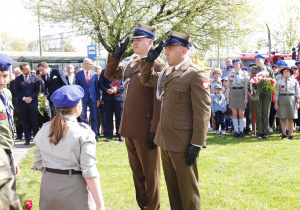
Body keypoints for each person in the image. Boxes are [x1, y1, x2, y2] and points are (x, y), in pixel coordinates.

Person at [140, 30, 211, 210]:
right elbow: (146, 79)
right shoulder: (167, 72)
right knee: (173, 190)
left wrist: (196, 143)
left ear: (184, 51)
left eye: (171, 48)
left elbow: (203, 111)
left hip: (183, 142)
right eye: (166, 49)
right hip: (165, 139)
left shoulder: (195, 74)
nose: (167, 52)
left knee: (188, 192)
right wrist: (148, 60)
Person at [104, 23, 166, 209]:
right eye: (134, 40)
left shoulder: (158, 65)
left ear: (150, 42)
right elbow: (109, 74)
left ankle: (152, 207)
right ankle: (143, 206)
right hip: (129, 127)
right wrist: (116, 56)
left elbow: (159, 100)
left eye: (139, 40)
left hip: (145, 128)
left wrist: (154, 129)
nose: (135, 43)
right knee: (137, 173)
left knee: (150, 174)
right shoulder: (132, 63)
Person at [32, 85, 105, 210]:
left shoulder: (44, 129)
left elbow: (38, 163)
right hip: (74, 189)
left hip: (48, 187)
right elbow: (89, 171)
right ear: (78, 107)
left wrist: (55, 175)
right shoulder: (84, 133)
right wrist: (100, 205)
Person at [0, 53, 19, 191]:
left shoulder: (6, 93)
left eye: (5, 76)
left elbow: (8, 128)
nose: (2, 80)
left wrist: (12, 157)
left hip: (7, 152)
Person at [249, 54, 274, 139]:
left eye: (259, 59)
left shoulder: (269, 69)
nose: (257, 61)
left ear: (263, 60)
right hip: (258, 92)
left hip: (267, 93)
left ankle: (265, 132)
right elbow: (251, 81)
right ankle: (259, 132)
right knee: (259, 113)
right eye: (256, 60)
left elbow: (273, 80)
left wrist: (269, 84)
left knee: (266, 113)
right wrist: (253, 90)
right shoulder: (254, 70)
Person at [15, 62, 40, 145]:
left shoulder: (35, 78)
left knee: (34, 121)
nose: (28, 70)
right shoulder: (18, 79)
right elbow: (16, 91)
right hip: (22, 104)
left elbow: (37, 90)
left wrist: (31, 98)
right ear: (22, 70)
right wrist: (24, 98)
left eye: (29, 68)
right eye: (26, 69)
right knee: (25, 121)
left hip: (33, 103)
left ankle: (36, 139)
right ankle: (27, 139)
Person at [75, 58, 100, 139]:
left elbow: (97, 88)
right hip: (83, 98)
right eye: (90, 64)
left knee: (94, 117)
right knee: (83, 117)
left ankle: (94, 135)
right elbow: (77, 87)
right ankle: (84, 135)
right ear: (85, 64)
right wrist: (78, 99)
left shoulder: (94, 74)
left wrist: (98, 99)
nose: (92, 65)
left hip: (93, 98)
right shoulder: (78, 74)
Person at [274, 66, 300, 139]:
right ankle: (284, 134)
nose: (286, 73)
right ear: (282, 73)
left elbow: (298, 92)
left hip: (292, 99)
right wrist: (276, 103)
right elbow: (276, 93)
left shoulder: (295, 81)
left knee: (291, 118)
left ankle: (290, 135)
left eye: (287, 71)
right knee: (282, 117)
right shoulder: (278, 82)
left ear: (290, 73)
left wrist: (298, 102)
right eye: (284, 71)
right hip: (282, 99)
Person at [99, 69, 124, 142]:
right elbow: (100, 84)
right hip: (108, 98)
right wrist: (106, 90)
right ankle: (109, 135)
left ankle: (120, 135)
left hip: (119, 98)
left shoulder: (121, 71)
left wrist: (117, 89)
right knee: (108, 117)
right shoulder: (104, 71)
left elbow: (125, 84)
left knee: (119, 117)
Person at [226, 58, 248, 138]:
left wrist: (246, 98)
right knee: (234, 114)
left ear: (240, 65)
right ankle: (236, 131)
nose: (235, 65)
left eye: (237, 64)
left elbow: (246, 87)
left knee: (241, 114)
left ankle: (241, 131)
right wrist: (227, 98)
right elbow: (228, 87)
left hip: (241, 92)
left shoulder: (245, 74)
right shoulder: (230, 74)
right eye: (234, 64)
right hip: (233, 93)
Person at [9, 68, 23, 139]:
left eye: (17, 73)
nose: (16, 74)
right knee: (17, 119)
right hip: (16, 103)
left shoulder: (23, 81)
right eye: (15, 73)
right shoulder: (12, 83)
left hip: (24, 102)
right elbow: (12, 93)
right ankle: (19, 134)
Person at [94, 65, 107, 137]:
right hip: (95, 100)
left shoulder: (103, 77)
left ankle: (104, 131)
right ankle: (96, 131)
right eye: (95, 69)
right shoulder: (93, 77)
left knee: (103, 116)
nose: (97, 70)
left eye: (98, 69)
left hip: (103, 99)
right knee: (95, 117)